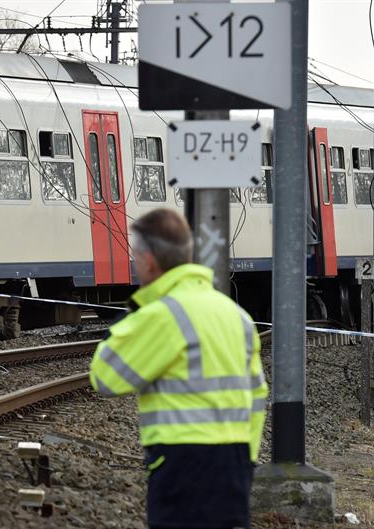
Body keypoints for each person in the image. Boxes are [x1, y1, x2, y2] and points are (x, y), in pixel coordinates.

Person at [89, 208, 267, 529]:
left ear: (150, 260)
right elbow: (257, 397)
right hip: (236, 461)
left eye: (136, 256)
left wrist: (132, 313)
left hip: (182, 463)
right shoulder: (236, 315)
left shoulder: (162, 315)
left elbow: (105, 377)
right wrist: (248, 456)